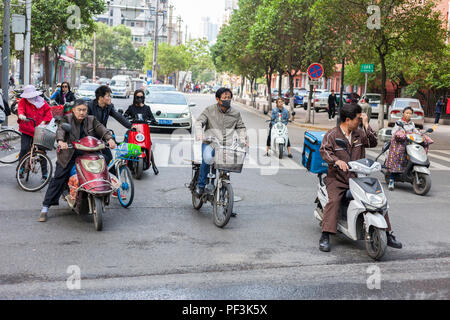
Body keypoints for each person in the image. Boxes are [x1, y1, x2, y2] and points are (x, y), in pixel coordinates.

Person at [319, 103, 402, 252]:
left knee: (377, 198)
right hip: (338, 178)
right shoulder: (332, 135)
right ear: (347, 119)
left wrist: (366, 124)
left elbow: (373, 142)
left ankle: (388, 233)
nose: (359, 120)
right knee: (334, 201)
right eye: (358, 118)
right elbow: (324, 151)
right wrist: (336, 161)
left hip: (358, 177)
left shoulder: (359, 133)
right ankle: (325, 235)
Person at [39, 99, 116, 222]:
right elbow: (61, 131)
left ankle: (102, 192)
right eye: (79, 110)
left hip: (89, 153)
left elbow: (101, 128)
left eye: (84, 110)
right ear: (74, 110)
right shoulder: (66, 119)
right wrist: (61, 141)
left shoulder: (91, 120)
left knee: (103, 167)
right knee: (59, 177)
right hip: (70, 153)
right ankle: (45, 207)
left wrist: (109, 138)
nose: (82, 112)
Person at [194, 87, 248, 197]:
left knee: (226, 170)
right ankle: (200, 186)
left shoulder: (235, 113)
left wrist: (243, 139)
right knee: (207, 159)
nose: (227, 99)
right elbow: (199, 122)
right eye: (225, 97)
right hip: (210, 143)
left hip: (226, 145)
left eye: (229, 97)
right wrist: (200, 133)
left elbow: (241, 127)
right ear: (218, 99)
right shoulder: (209, 110)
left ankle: (225, 201)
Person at [385, 106, 433, 191]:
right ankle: (392, 179)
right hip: (399, 143)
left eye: (410, 113)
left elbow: (416, 131)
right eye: (407, 113)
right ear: (403, 113)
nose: (408, 115)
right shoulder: (399, 122)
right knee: (398, 156)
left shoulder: (412, 123)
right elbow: (394, 132)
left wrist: (421, 134)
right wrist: (401, 133)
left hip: (410, 143)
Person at [87, 85, 132, 172]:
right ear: (100, 98)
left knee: (110, 161)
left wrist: (130, 126)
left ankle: (113, 183)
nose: (110, 98)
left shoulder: (109, 107)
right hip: (90, 138)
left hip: (103, 137)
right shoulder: (90, 106)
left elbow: (119, 117)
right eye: (108, 96)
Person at [16, 85, 53, 179]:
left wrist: (45, 121)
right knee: (24, 149)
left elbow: (48, 112)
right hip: (27, 130)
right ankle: (20, 169)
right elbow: (20, 110)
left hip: (39, 130)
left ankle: (44, 172)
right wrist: (21, 115)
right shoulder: (23, 101)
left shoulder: (42, 102)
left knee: (42, 151)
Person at [124, 89, 159, 175]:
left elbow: (152, 118)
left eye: (141, 97)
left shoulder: (147, 108)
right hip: (133, 129)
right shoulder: (131, 107)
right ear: (135, 97)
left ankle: (154, 165)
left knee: (148, 144)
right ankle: (123, 162)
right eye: (138, 97)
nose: (139, 99)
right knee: (125, 143)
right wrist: (126, 117)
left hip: (143, 130)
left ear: (143, 98)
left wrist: (154, 121)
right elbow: (125, 115)